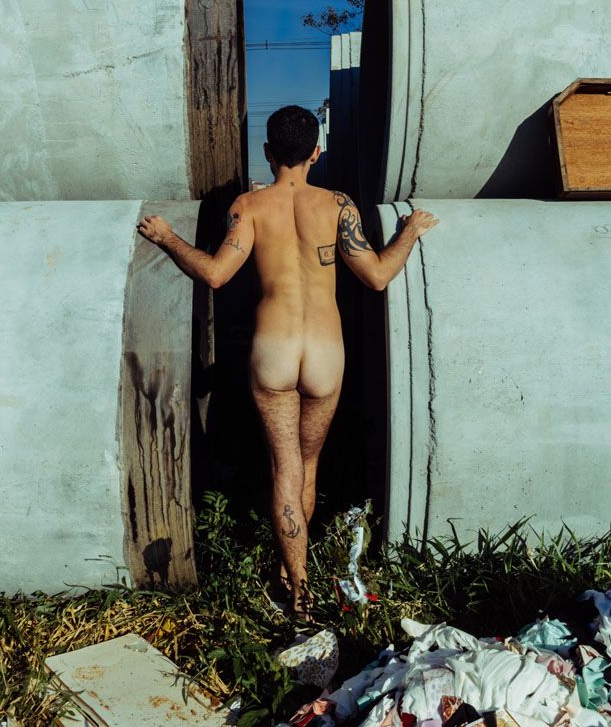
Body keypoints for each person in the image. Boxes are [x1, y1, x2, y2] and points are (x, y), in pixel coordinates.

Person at [137, 105, 438, 619]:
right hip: (325, 352)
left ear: (268, 152)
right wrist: (409, 230)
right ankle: (288, 567)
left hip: (273, 350)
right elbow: (376, 276)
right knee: (308, 464)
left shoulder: (249, 206)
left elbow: (215, 274)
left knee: (284, 466)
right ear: (316, 153)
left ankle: (297, 585)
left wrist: (166, 236)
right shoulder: (338, 205)